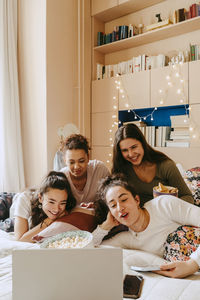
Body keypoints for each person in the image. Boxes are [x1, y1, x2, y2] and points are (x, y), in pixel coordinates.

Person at [93, 174, 200, 278]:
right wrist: (105, 226)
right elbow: (89, 248)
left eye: (124, 200)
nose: (120, 208)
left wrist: (193, 264)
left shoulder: (164, 204)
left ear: (136, 200)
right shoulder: (126, 239)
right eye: (113, 205)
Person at [112, 123, 194, 205]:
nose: (131, 154)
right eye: (125, 150)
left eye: (134, 147)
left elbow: (188, 197)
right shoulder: (121, 170)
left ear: (143, 144)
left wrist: (168, 208)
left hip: (167, 214)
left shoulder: (166, 166)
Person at [13, 171, 76, 242]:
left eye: (62, 203)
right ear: (40, 198)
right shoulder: (24, 199)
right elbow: (20, 240)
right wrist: (49, 220)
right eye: (52, 202)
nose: (56, 209)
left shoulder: (69, 204)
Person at [60, 134, 110, 206]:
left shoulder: (100, 170)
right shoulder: (61, 177)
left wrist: (97, 205)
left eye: (81, 161)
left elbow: (111, 198)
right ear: (65, 161)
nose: (76, 167)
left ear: (88, 157)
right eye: (71, 162)